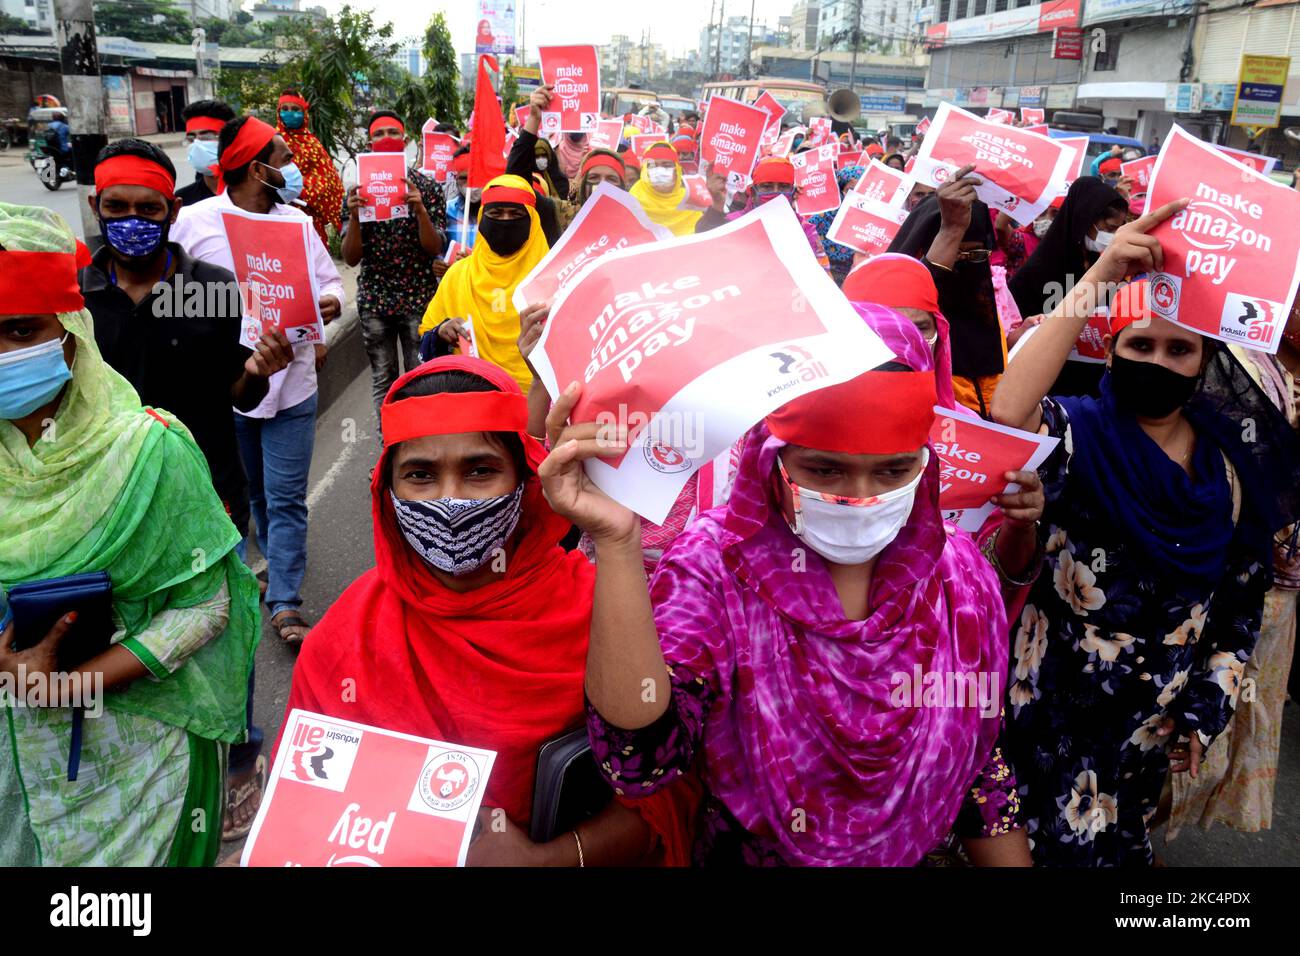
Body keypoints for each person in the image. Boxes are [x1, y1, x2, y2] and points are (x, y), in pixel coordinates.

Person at [542, 304, 1041, 866]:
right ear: (769, 455)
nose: (859, 497)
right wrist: (616, 544)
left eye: (893, 471)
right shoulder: (714, 571)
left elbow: (979, 760)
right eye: (824, 470)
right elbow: (640, 763)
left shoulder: (957, 578)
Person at [281, 356, 692, 865]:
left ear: (524, 479)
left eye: (480, 471)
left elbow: (659, 804)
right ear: (387, 490)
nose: (450, 500)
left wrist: (550, 860)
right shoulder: (346, 636)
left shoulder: (602, 610)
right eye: (420, 475)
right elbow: (302, 805)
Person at [990, 203, 1300, 865]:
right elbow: (1008, 411)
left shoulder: (1230, 470)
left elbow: (1238, 610)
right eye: (1141, 344)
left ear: (1202, 363)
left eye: (1178, 348)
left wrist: (1204, 713)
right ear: (1111, 350)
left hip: (1151, 730)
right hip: (1055, 718)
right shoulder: (1076, 432)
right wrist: (1104, 271)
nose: (1158, 359)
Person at [0, 201, 259, 866]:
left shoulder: (151, 450)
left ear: (70, 335)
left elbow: (206, 605)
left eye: (18, 330)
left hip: (142, 761)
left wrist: (72, 684)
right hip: (15, 768)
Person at [78, 139, 294, 841]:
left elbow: (231, 391)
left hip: (205, 497)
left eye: (148, 208)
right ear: (95, 209)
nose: (133, 220)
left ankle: (236, 763)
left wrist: (260, 370)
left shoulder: (209, 286)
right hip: (102, 508)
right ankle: (143, 770)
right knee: (120, 641)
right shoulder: (73, 297)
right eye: (118, 208)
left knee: (219, 636)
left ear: (172, 211)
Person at [172, 115, 346, 646]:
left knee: (288, 495)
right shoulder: (196, 223)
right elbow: (171, 295)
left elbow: (331, 284)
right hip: (228, 387)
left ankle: (285, 600)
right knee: (250, 495)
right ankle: (266, 561)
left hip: (292, 385)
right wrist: (232, 308)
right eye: (283, 160)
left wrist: (327, 308)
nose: (292, 170)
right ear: (256, 168)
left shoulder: (298, 223)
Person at [1166, 305, 1300, 838]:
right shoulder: (1235, 364)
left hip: (1281, 592)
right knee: (1179, 733)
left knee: (1234, 729)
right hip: (1223, 577)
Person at [342, 111, 447, 426]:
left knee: (420, 376)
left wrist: (420, 211)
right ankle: (389, 449)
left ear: (405, 140)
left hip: (418, 298)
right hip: (376, 301)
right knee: (383, 379)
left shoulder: (426, 188)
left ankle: (419, 444)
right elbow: (350, 257)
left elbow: (435, 247)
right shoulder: (357, 192)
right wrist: (356, 218)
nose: (386, 138)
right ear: (369, 142)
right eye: (378, 134)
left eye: (392, 132)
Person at [889, 165, 1007, 418]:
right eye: (954, 254)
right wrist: (950, 230)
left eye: (974, 255)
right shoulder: (903, 323)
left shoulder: (987, 312)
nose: (963, 263)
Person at [418, 174, 549, 392]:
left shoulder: (554, 279)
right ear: (482, 218)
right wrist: (442, 333)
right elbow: (426, 342)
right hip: (471, 403)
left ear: (532, 222)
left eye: (515, 214)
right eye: (496, 213)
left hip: (537, 406)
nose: (505, 221)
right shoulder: (458, 275)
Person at [1009, 177, 1129, 397]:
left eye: (1117, 230)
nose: (1111, 237)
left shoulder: (1100, 266)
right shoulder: (1038, 271)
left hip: (1092, 385)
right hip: (1048, 387)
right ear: (1085, 219)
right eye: (1109, 229)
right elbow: (1014, 334)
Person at [696, 156, 830, 272]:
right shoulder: (735, 224)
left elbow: (821, 278)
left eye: (783, 187)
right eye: (767, 187)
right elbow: (704, 247)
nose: (776, 193)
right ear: (753, 193)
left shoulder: (805, 230)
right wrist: (717, 203)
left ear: (792, 191)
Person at [274, 89, 344, 247]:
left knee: (313, 260)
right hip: (277, 213)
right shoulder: (271, 141)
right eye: (284, 109)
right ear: (278, 113)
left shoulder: (313, 143)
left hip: (310, 216)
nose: (289, 113)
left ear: (304, 113)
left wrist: (302, 189)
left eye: (295, 109)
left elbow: (329, 180)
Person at [808, 164, 867, 285]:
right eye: (850, 190)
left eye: (862, 191)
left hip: (862, 283)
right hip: (826, 283)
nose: (856, 196)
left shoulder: (876, 222)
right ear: (839, 191)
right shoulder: (820, 219)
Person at [629, 141, 702, 237]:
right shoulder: (631, 200)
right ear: (645, 170)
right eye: (653, 166)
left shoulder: (691, 200)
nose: (659, 170)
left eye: (666, 165)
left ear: (677, 171)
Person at [178, 99, 236, 207]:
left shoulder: (251, 195)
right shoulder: (184, 200)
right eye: (191, 138)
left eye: (206, 137)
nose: (197, 144)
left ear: (229, 139)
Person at [444, 147, 481, 250]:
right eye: (464, 178)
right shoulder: (446, 211)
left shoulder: (499, 213)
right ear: (456, 180)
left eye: (476, 177)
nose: (470, 185)